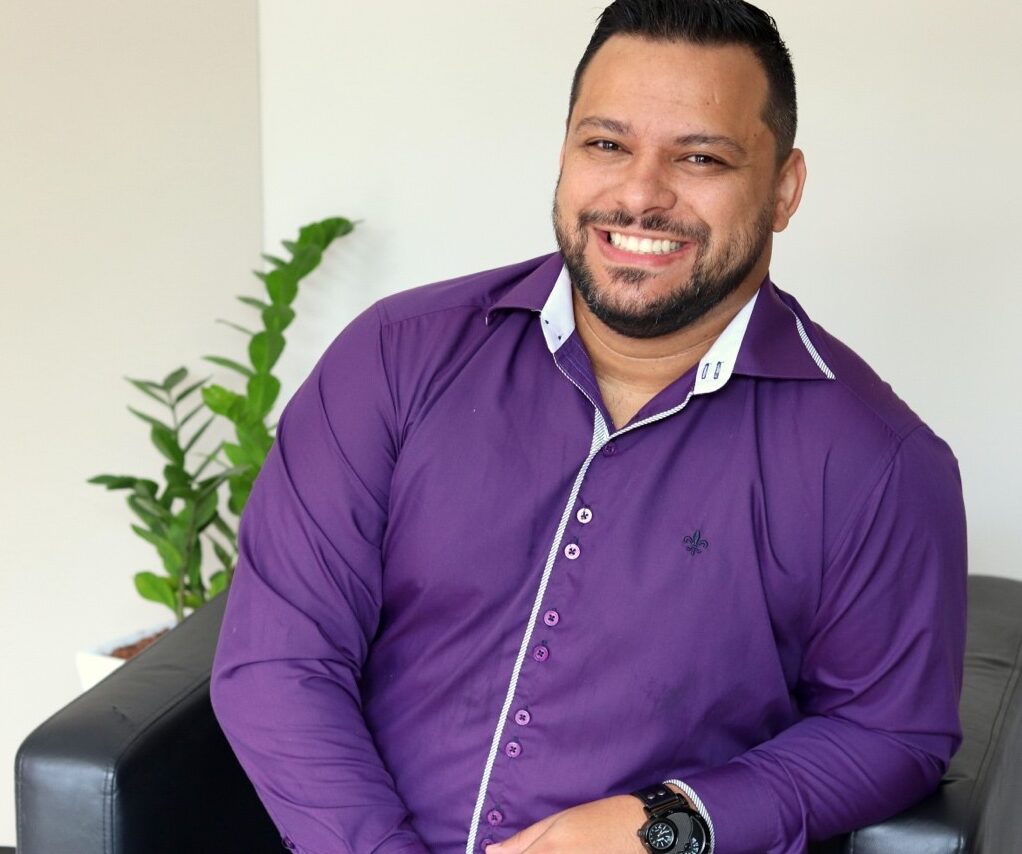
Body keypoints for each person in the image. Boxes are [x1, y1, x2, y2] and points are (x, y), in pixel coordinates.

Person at [210, 1, 968, 852]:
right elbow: (280, 659)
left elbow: (889, 730)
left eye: (701, 157)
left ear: (783, 189)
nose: (640, 194)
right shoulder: (394, 356)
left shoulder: (877, 462)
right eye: (606, 145)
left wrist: (673, 820)